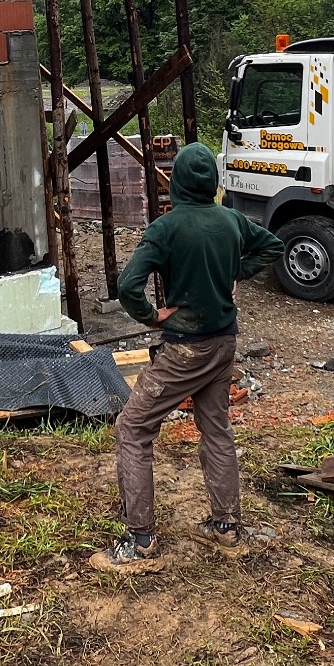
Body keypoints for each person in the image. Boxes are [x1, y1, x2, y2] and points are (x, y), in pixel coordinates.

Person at [90, 142, 283, 573]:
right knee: (216, 429)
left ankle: (140, 542)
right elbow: (272, 246)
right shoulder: (231, 220)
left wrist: (151, 316)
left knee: (133, 427)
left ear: (175, 182)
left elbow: (128, 286)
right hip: (223, 344)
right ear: (213, 182)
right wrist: (236, 271)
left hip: (186, 349)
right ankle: (226, 528)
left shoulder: (166, 227)